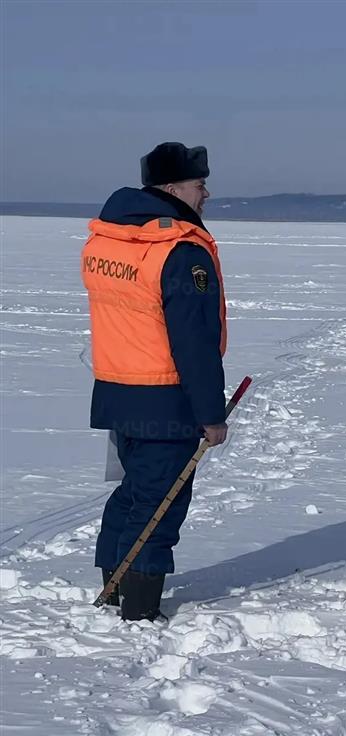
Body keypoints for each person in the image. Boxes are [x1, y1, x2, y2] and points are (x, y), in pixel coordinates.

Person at [81, 142, 228, 621]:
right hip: (164, 398)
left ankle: (116, 588)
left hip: (116, 391)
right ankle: (139, 608)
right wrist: (211, 414)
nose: (206, 194)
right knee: (159, 501)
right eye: (199, 185)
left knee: (136, 493)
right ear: (171, 188)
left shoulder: (107, 240)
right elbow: (194, 342)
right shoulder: (180, 252)